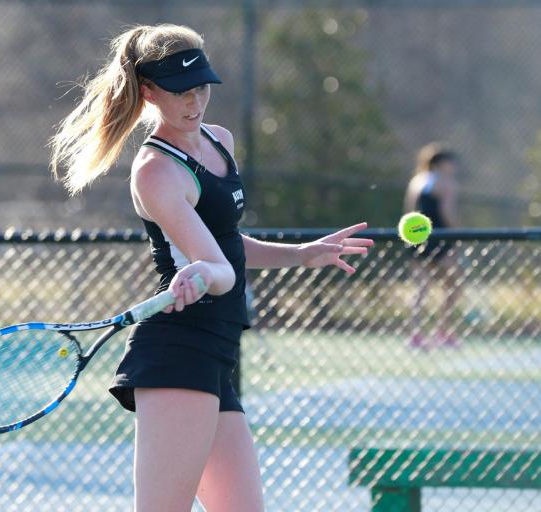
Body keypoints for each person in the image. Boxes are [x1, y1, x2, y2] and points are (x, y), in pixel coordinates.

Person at [50, 23, 373, 512]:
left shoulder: (219, 141)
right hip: (178, 352)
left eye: (201, 86)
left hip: (215, 353)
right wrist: (202, 274)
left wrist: (301, 254)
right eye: (180, 91)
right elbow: (217, 269)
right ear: (149, 91)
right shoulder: (156, 172)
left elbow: (225, 247)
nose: (195, 102)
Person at [403, 142, 462, 349]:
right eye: (451, 162)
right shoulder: (447, 183)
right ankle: (442, 332)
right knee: (454, 287)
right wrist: (459, 233)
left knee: (422, 288)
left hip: (417, 239)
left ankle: (415, 335)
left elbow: (409, 211)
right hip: (439, 240)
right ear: (442, 163)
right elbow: (447, 213)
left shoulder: (416, 181)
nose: (454, 166)